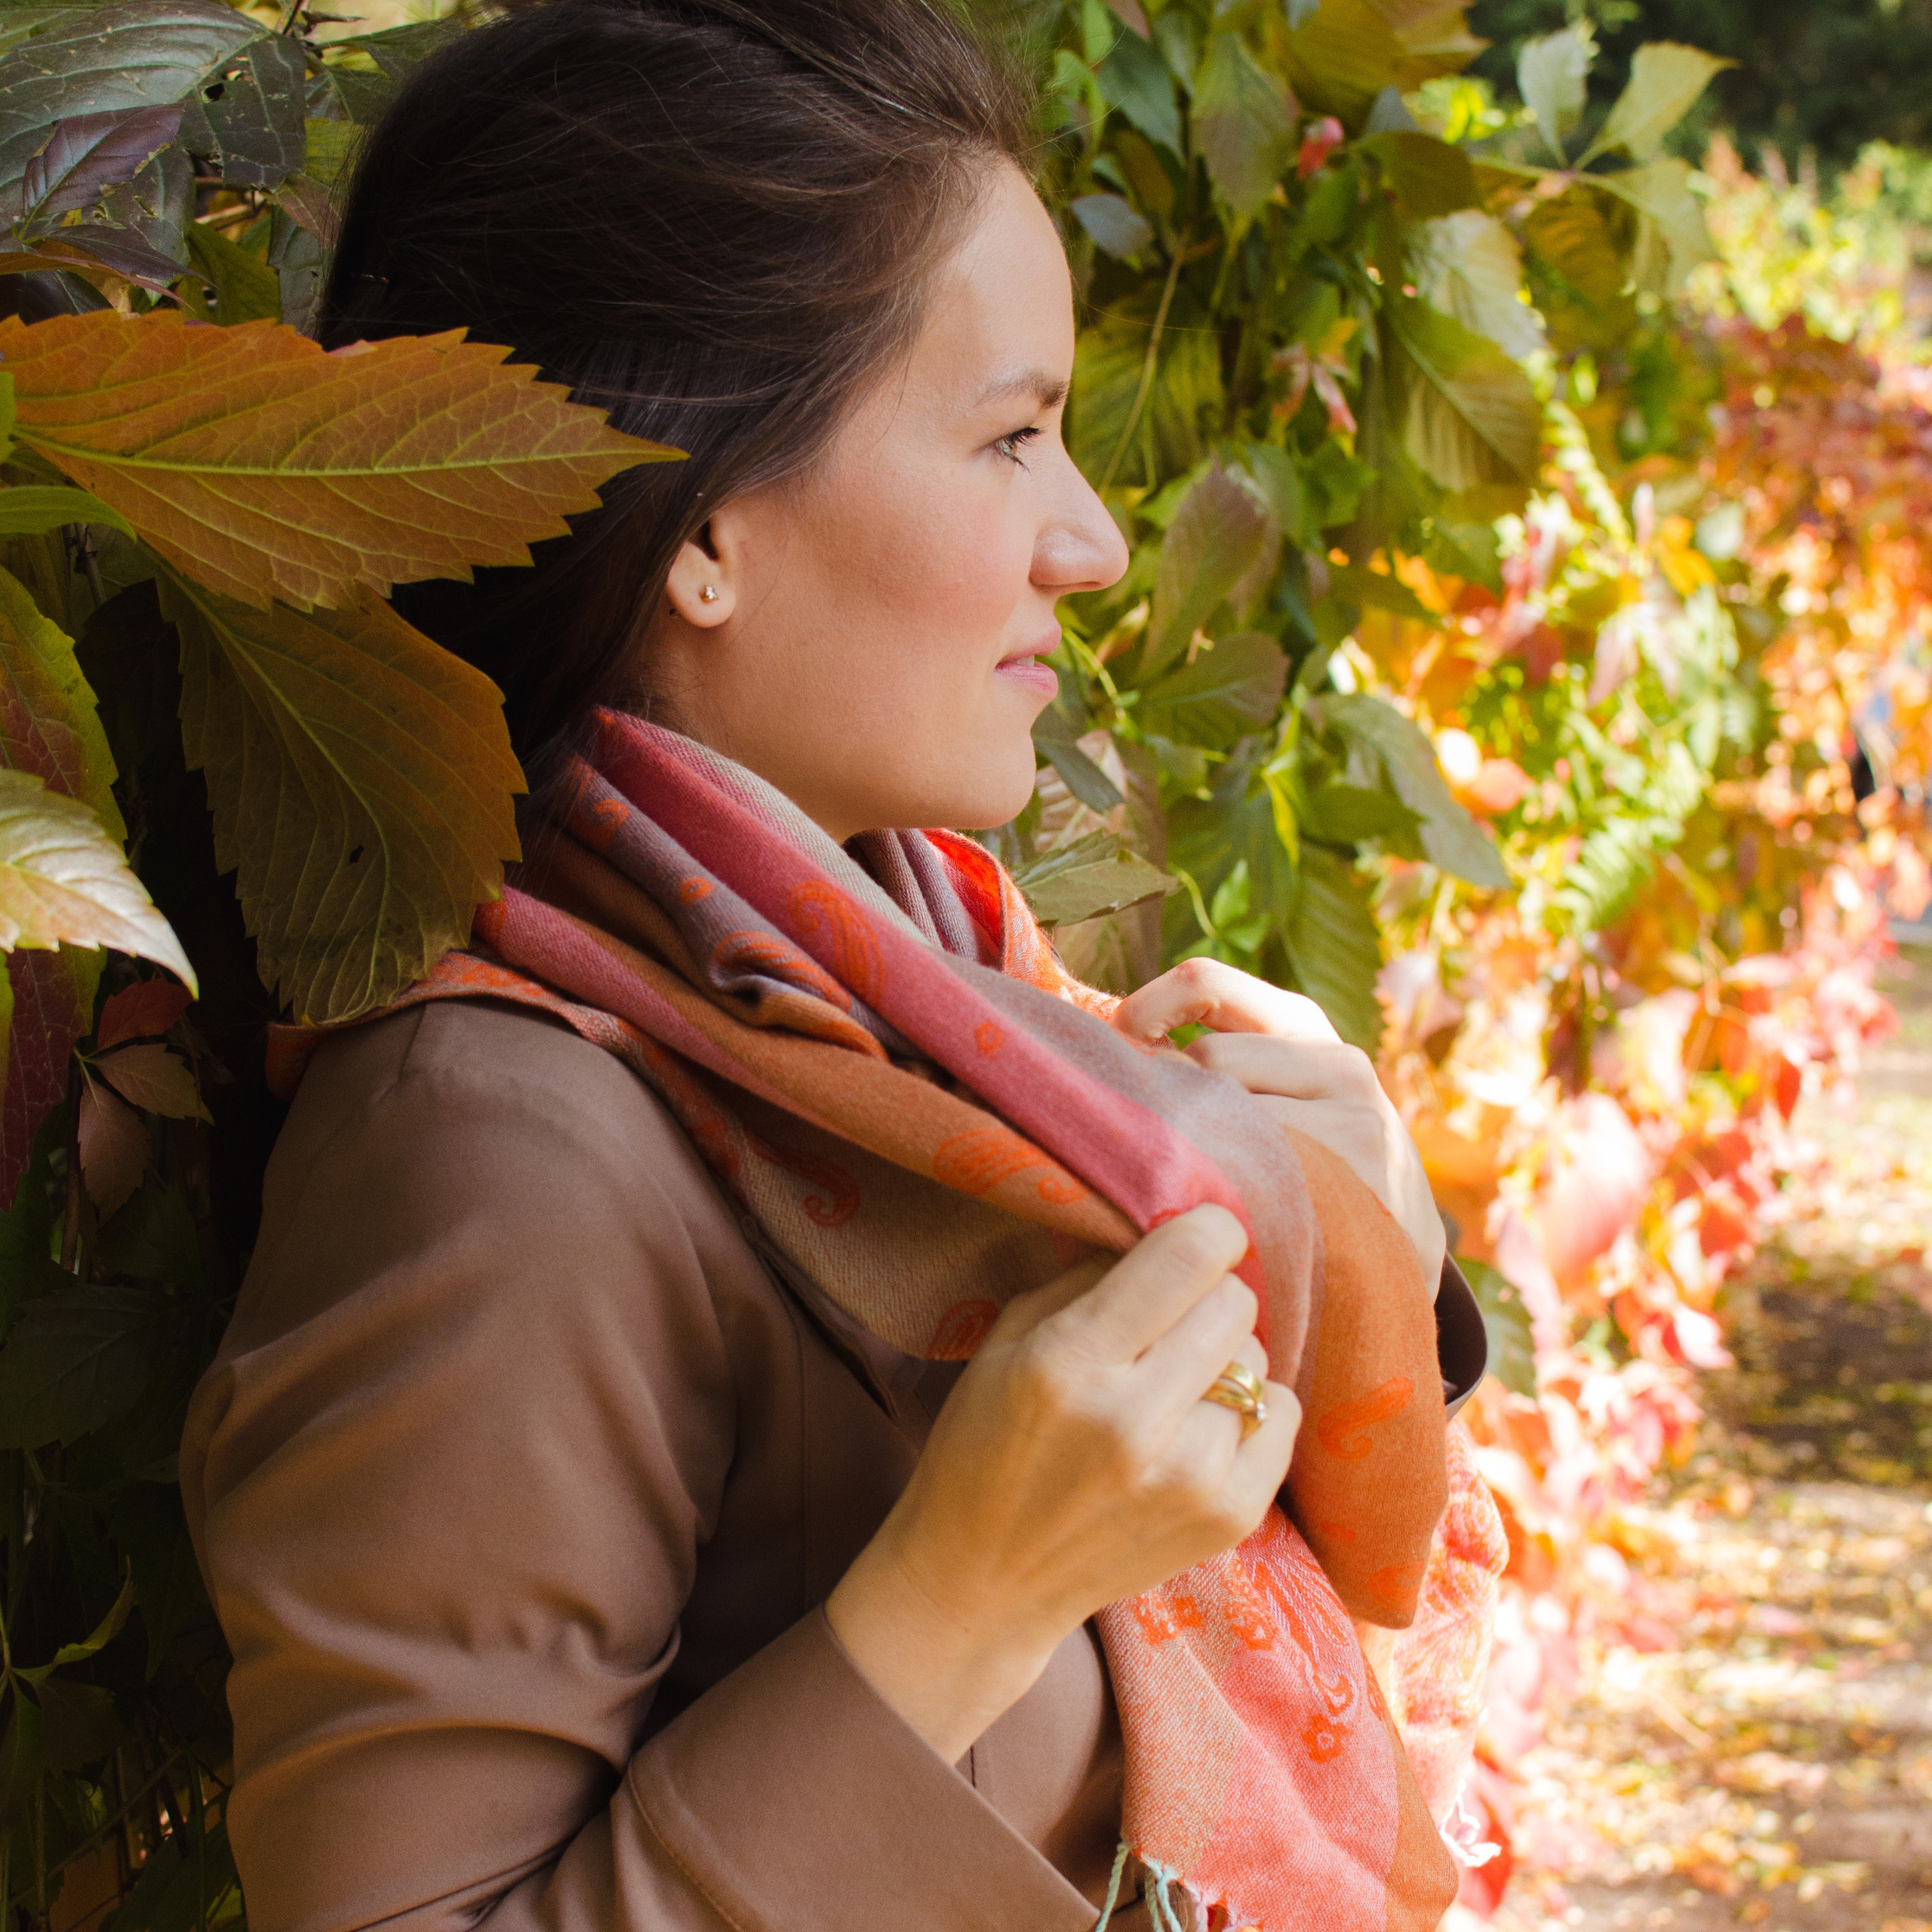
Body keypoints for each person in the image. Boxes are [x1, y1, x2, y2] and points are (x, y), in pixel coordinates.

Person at [181, 4, 1490, 1928]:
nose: (1092, 541)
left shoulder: (919, 983)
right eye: (1010, 435)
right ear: (701, 529)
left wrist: (1376, 1234)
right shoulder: (496, 1149)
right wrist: (954, 1600)